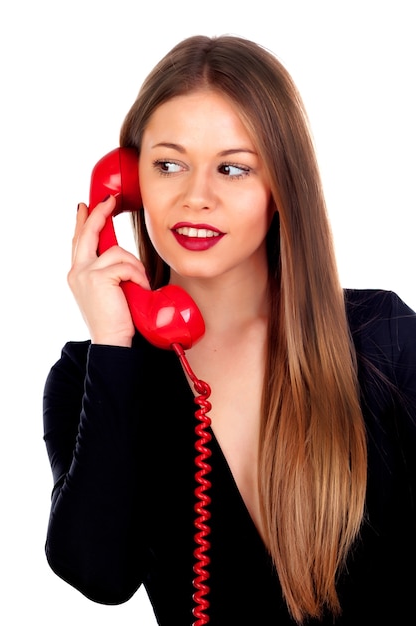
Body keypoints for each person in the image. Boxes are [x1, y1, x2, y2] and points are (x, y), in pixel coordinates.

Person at [43, 35, 416, 625]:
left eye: (233, 169)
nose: (196, 197)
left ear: (280, 189)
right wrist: (116, 347)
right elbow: (100, 575)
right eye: (169, 165)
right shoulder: (89, 376)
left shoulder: (383, 339)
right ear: (128, 186)